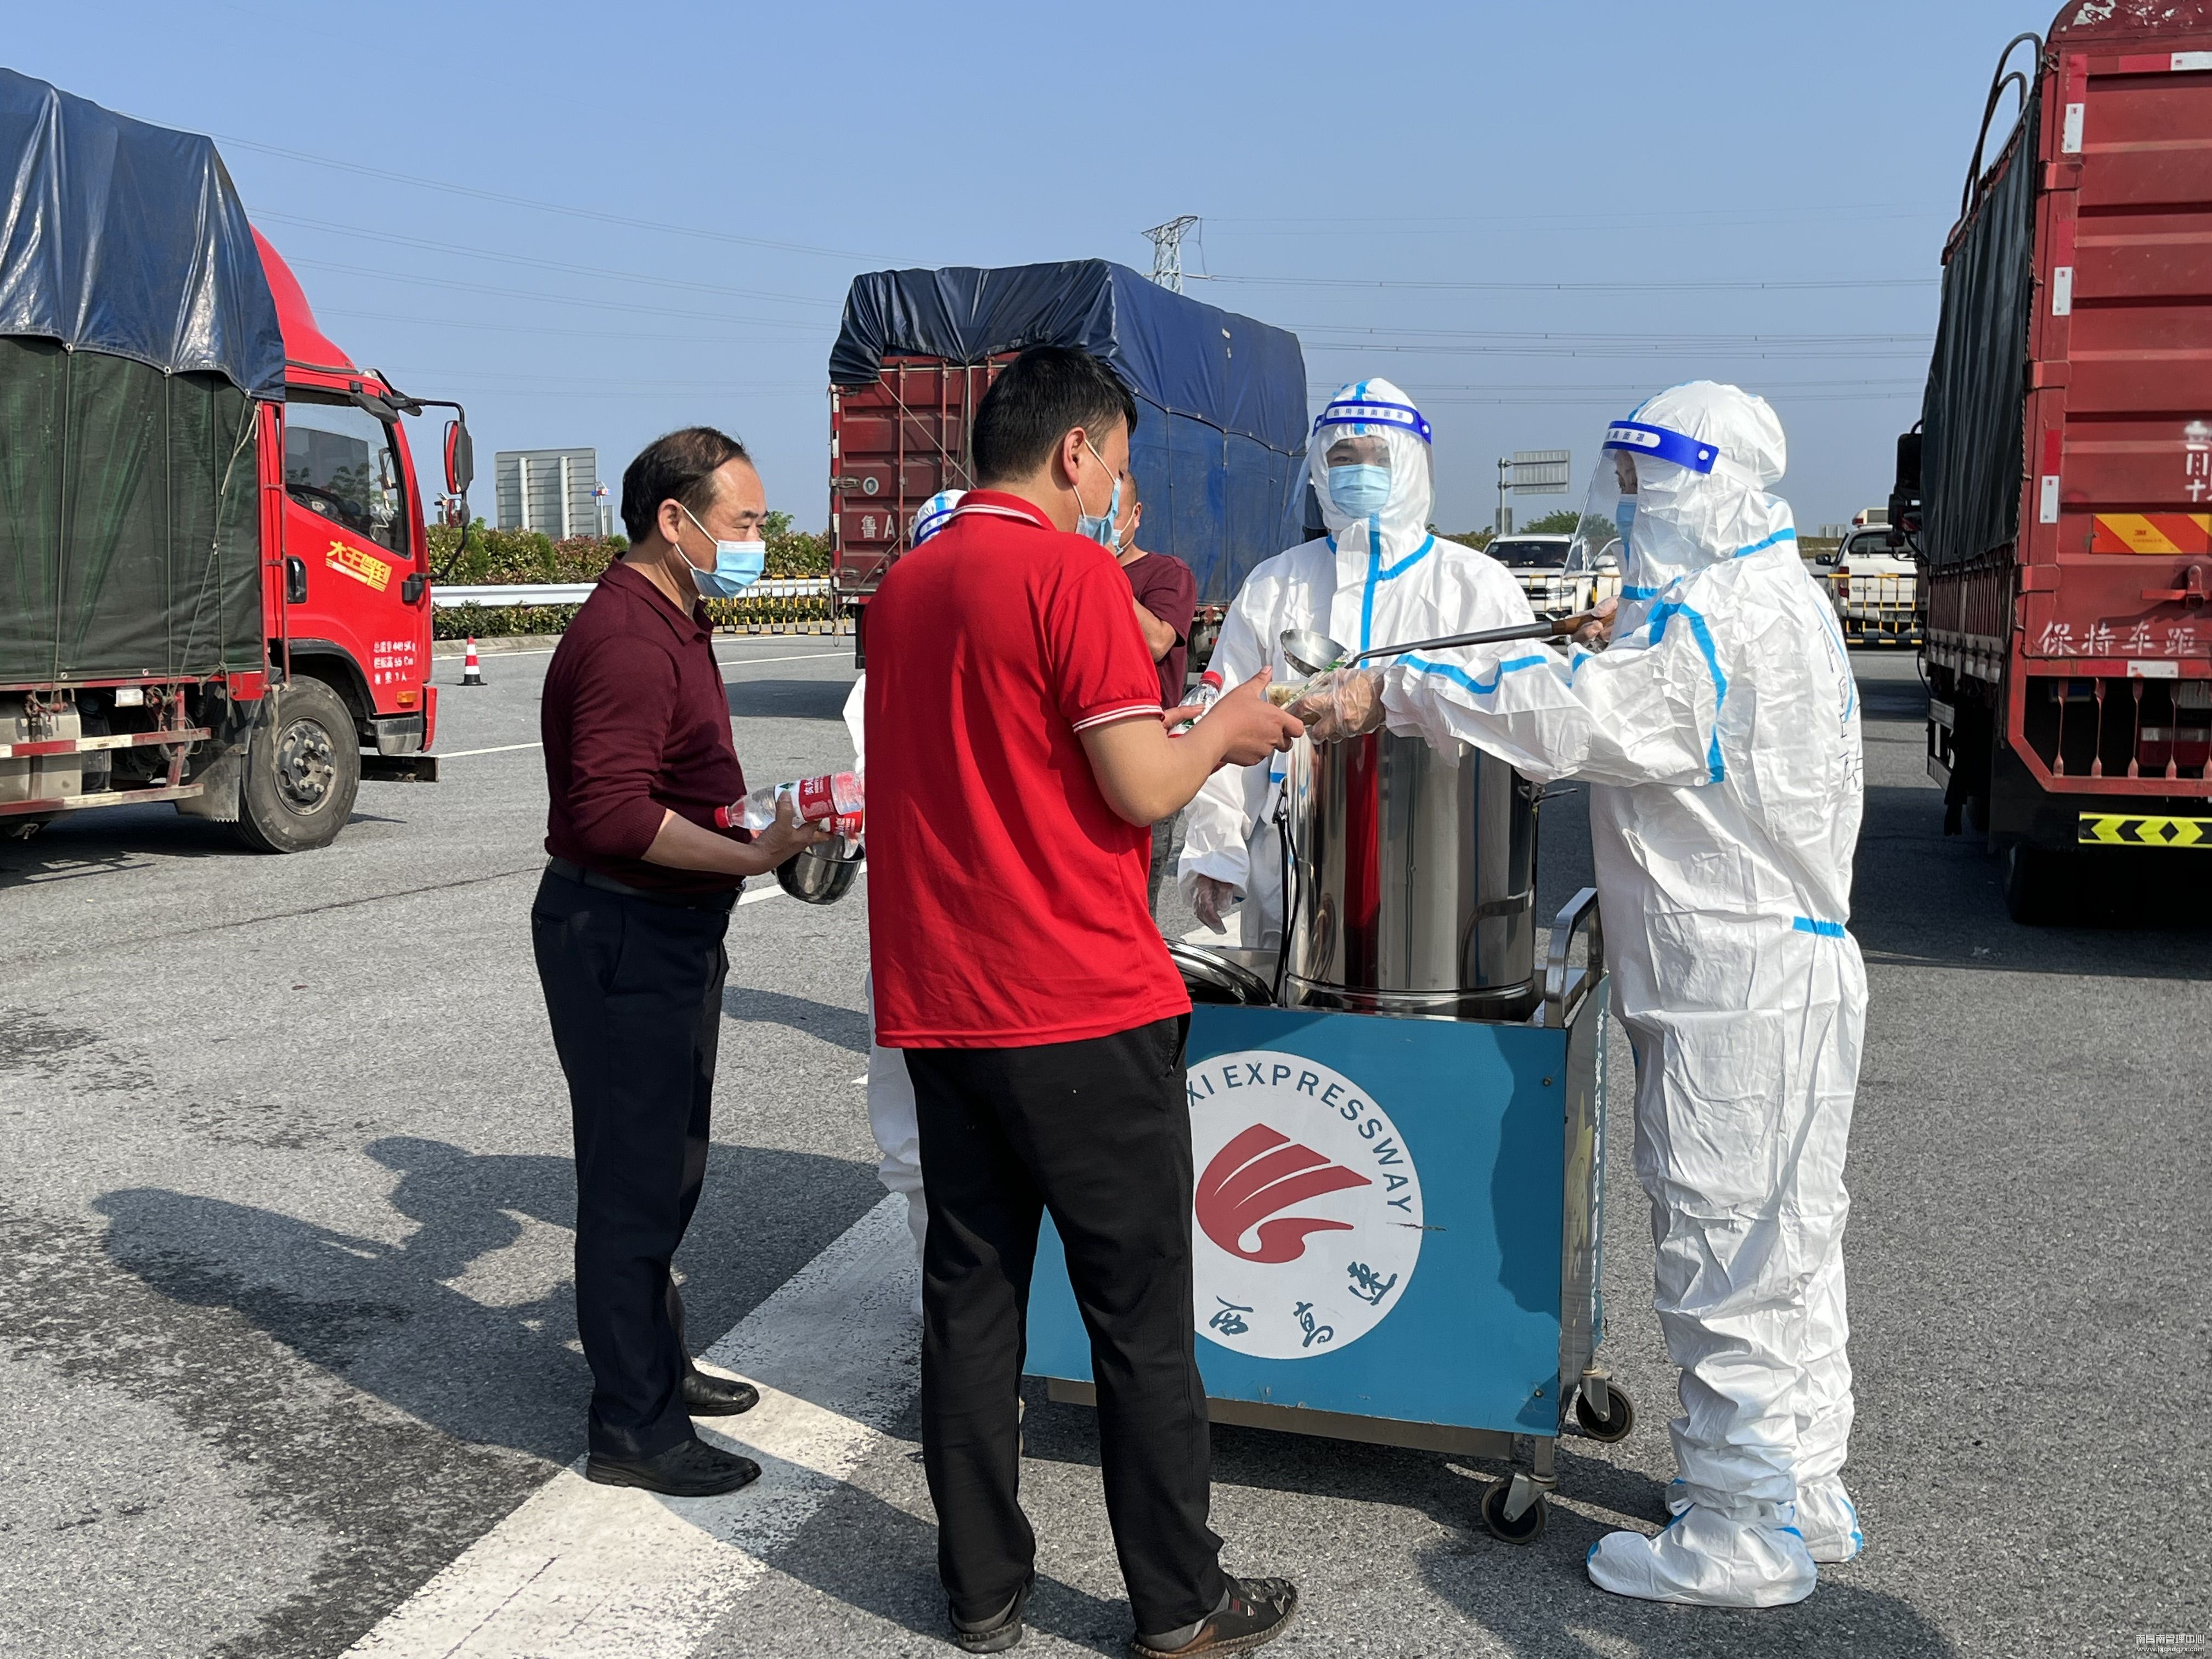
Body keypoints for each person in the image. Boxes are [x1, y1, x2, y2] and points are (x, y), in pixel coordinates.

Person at [1292, 381, 1865, 1609]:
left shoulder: (1719, 617)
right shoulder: (1773, 596)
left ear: (1709, 487)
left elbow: (1577, 720)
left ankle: (1740, 1530)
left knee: (1723, 1243)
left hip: (1733, 989)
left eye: (1648, 488)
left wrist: (1402, 690)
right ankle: (1798, 1480)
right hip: (1783, 967)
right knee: (1789, 1240)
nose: (1633, 511)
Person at [864, 345, 1304, 1656]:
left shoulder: (906, 587)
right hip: (1078, 1005)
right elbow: (1142, 787)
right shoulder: (1071, 577)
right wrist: (1225, 730)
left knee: (971, 1301)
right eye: (1117, 463)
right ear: (1075, 452)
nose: (1118, 490)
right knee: (1139, 1320)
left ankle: (981, 1588)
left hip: (945, 1003)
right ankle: (1180, 1602)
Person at [534, 427, 832, 1497]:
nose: (757, 540)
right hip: (623, 932)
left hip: (665, 927)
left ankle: (656, 1361)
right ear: (676, 520)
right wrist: (752, 854)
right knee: (633, 1182)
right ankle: (635, 1424)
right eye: (743, 522)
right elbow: (611, 814)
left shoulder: (675, 615)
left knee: (667, 1169)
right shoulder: (626, 637)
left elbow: (671, 785)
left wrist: (763, 820)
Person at [1178, 378, 1535, 946]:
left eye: (1378, 458)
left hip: (1436, 854)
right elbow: (1225, 724)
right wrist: (1215, 852)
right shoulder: (1276, 584)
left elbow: (1523, 724)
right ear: (1320, 468)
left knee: (1425, 980)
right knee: (1293, 991)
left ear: (1413, 466)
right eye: (1343, 458)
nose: (1359, 471)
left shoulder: (1475, 587)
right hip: (1293, 861)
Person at [846, 489, 967, 1294]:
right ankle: (949, 1309)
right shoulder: (880, 684)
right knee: (920, 1145)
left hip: (991, 950)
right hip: (921, 947)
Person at [1112, 473, 1198, 916]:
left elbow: (1159, 641)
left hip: (1149, 751)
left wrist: (1100, 571)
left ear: (1137, 515)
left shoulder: (1167, 573)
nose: (1103, 523)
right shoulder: (1069, 570)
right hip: (1089, 749)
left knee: (1136, 899)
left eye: (1114, 512)